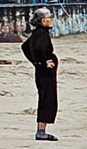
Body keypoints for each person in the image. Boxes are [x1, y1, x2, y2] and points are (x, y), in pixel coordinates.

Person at [21, 9, 59, 141]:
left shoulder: (38, 33)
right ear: (43, 20)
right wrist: (42, 62)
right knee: (46, 99)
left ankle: (42, 130)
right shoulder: (41, 34)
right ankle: (41, 131)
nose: (51, 19)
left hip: (43, 70)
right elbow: (35, 48)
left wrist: (36, 62)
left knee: (47, 98)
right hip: (45, 72)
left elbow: (25, 47)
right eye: (49, 17)